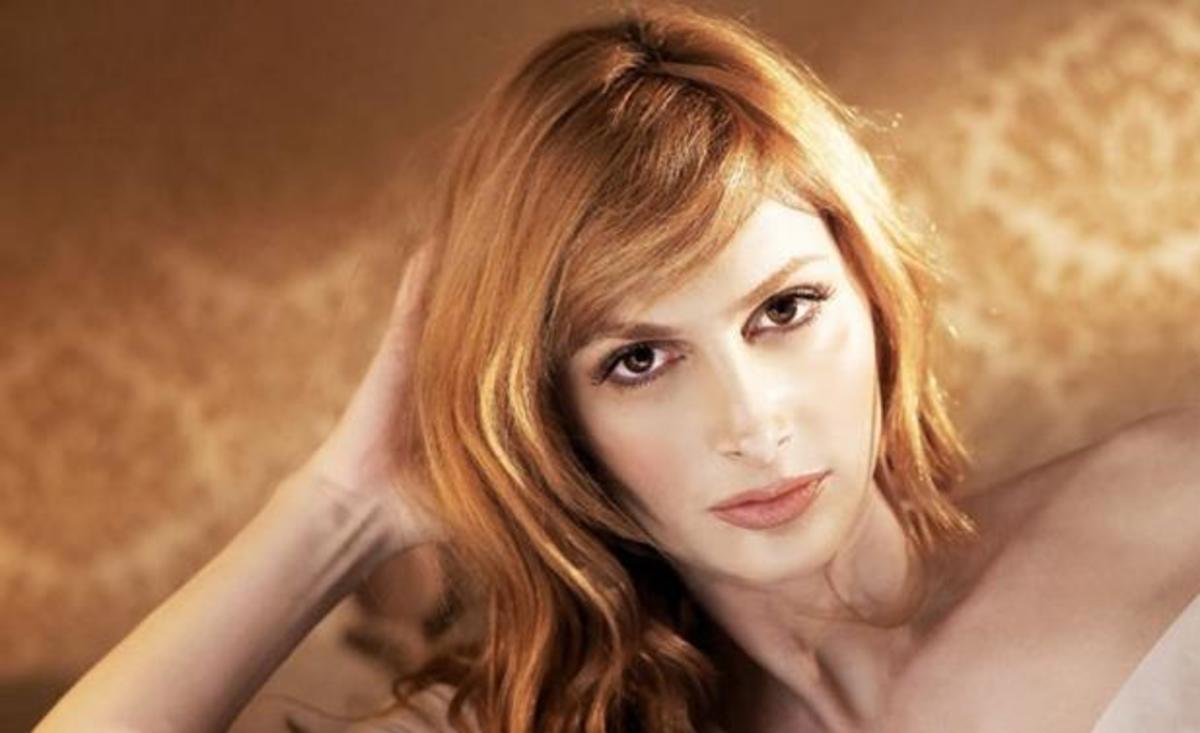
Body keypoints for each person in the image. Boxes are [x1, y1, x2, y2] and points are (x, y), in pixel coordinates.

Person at [35, 3, 1200, 732]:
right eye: (640, 358)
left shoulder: (1171, 505)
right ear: (556, 414)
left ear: (875, 297)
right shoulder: (540, 723)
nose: (752, 420)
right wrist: (342, 507)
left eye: (785, 309)